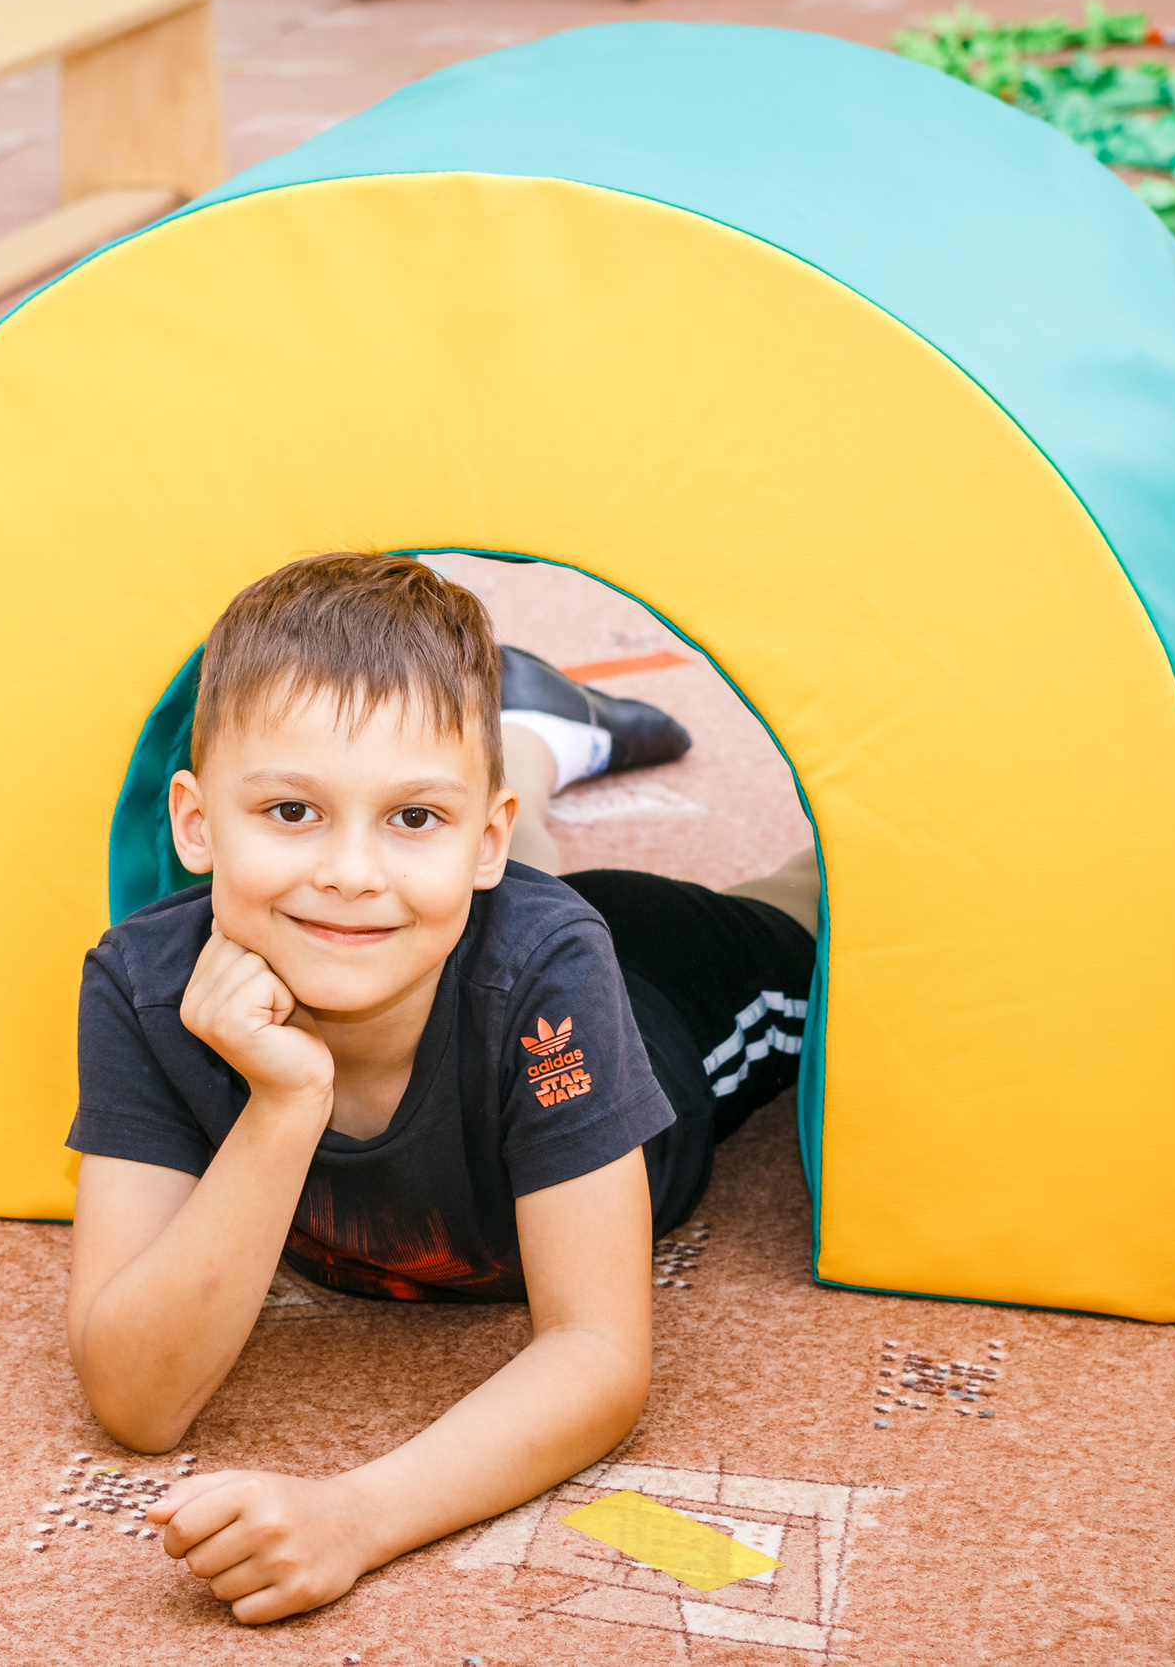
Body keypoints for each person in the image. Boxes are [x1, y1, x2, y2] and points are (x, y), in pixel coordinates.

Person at [63, 552, 818, 1624]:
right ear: (194, 825)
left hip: (670, 994)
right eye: (290, 811)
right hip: (471, 926)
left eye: (412, 816)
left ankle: (536, 758)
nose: (349, 872)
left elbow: (598, 1356)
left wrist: (355, 1517)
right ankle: (543, 736)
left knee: (812, 915)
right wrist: (282, 1108)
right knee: (430, 910)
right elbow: (137, 1399)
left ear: (481, 836)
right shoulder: (142, 985)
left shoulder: (550, 963)